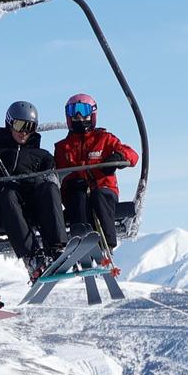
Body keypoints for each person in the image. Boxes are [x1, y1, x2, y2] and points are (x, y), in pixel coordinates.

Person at [0, 100, 68, 279]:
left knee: (49, 187)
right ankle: (32, 257)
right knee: (8, 194)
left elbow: (52, 183)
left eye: (30, 127)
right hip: (4, 207)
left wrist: (36, 182)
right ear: (9, 123)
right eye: (20, 125)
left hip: (31, 205)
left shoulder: (42, 156)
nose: (24, 132)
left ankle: (56, 248)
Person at [54, 93, 140, 255]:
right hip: (76, 193)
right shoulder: (63, 147)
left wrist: (118, 157)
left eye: (83, 110)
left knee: (99, 196)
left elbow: (133, 155)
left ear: (92, 113)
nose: (78, 116)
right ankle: (80, 240)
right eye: (73, 111)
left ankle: (107, 244)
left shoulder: (104, 139)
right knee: (78, 196)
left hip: (103, 189)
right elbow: (57, 173)